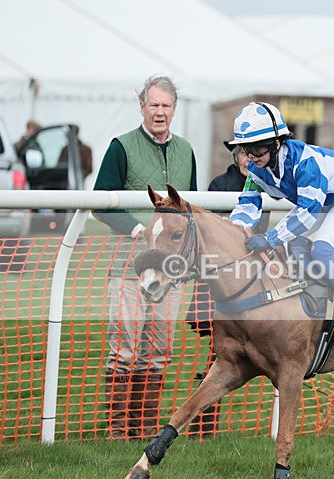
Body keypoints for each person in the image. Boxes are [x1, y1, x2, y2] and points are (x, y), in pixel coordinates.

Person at [92, 75, 197, 440]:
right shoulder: (120, 147)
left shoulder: (186, 151)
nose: (159, 112)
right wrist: (138, 230)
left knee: (158, 353)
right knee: (123, 350)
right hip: (128, 268)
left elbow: (191, 212)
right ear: (141, 107)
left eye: (166, 105)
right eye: (153, 105)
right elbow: (99, 205)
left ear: (174, 109)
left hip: (171, 272)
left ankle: (144, 429)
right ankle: (117, 431)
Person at [227, 101, 334, 341]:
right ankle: (317, 299)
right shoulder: (257, 170)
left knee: (320, 249)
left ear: (276, 144)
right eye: (246, 149)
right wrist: (231, 233)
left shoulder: (306, 163)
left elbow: (307, 214)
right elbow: (247, 206)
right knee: (293, 247)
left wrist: (268, 238)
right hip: (315, 203)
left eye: (257, 149)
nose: (251, 157)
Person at [184, 141, 270, 439]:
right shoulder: (220, 184)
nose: (250, 158)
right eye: (245, 153)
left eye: (254, 153)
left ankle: (204, 426)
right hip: (218, 282)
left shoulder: (266, 181)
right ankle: (203, 426)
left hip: (252, 280)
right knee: (216, 356)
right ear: (236, 157)